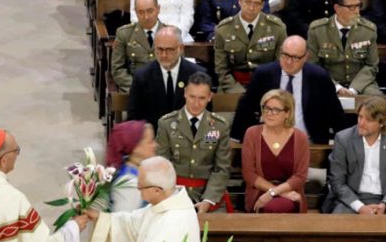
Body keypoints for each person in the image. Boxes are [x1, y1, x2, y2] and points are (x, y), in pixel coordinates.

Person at [231, 36, 345, 144]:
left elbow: (335, 112)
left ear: (305, 57)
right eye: (285, 55)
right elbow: (245, 108)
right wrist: (235, 140)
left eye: (295, 57)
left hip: (309, 142)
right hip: (269, 142)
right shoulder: (263, 74)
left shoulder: (319, 77)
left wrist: (345, 143)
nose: (289, 61)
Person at [157, 72, 231, 214]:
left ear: (210, 97)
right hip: (174, 192)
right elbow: (162, 165)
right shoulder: (167, 124)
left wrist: (208, 200)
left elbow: (222, 168)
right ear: (185, 93)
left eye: (202, 98)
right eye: (192, 97)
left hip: (208, 193)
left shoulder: (220, 126)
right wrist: (172, 197)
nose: (196, 103)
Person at [242, 89, 310, 213]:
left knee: (277, 207)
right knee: (273, 207)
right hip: (260, 192)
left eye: (276, 110)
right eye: (266, 108)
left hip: (290, 192)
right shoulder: (252, 133)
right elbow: (249, 174)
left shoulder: (300, 137)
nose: (269, 113)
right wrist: (276, 192)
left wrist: (275, 192)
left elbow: (300, 177)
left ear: (287, 113)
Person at [127, 25, 205, 130]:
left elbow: (204, 119)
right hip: (154, 137)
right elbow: (133, 119)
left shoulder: (197, 75)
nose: (163, 55)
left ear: (181, 48)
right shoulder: (142, 77)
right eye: (159, 49)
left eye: (169, 50)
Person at [307, 0, 381, 96]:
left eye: (358, 6)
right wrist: (337, 87)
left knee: (376, 100)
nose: (357, 11)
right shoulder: (317, 30)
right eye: (351, 7)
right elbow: (314, 66)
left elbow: (372, 66)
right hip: (328, 83)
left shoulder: (368, 30)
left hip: (361, 84)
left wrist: (354, 89)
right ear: (337, 8)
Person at [213, 0, 286, 93]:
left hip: (267, 88)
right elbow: (222, 70)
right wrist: (239, 93)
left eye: (256, 4)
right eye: (248, 2)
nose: (251, 8)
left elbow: (280, 66)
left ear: (262, 5)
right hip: (233, 88)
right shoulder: (223, 29)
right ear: (240, 1)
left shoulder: (277, 28)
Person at [324, 96, 386, 214]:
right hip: (351, 198)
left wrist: (384, 204)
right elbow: (337, 181)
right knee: (338, 222)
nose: (361, 123)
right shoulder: (343, 139)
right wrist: (360, 207)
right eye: (360, 117)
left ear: (382, 123)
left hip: (382, 198)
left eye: (368, 120)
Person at [111, 0, 164, 92]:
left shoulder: (171, 34)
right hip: (134, 90)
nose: (146, 17)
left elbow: (178, 68)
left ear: (158, 9)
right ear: (135, 12)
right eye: (141, 12)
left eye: (150, 11)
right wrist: (137, 87)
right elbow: (117, 69)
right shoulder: (124, 34)